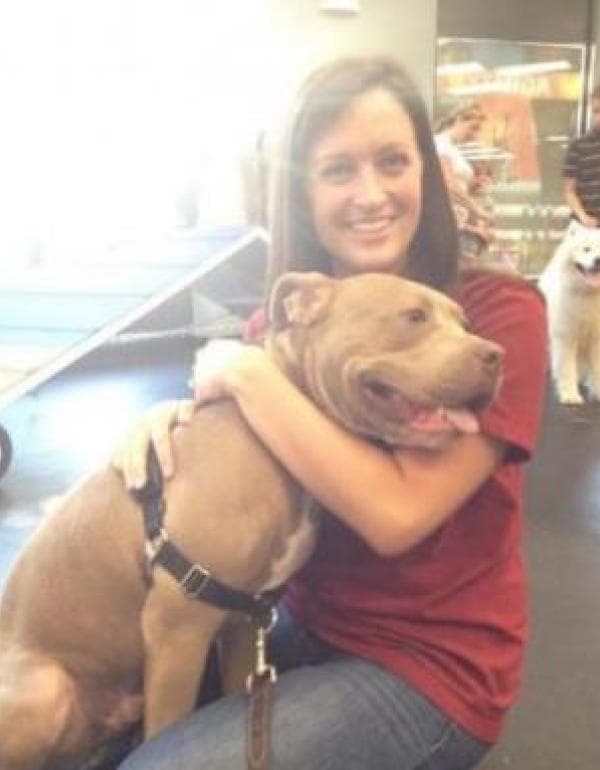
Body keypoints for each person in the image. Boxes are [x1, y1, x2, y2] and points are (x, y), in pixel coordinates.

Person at [113, 56, 547, 770]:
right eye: (338, 170)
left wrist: (245, 372)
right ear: (303, 191)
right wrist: (168, 422)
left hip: (429, 669)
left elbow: (396, 517)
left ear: (427, 171)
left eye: (393, 161)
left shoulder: (498, 312)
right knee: (97, 737)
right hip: (290, 624)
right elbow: (230, 450)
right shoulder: (287, 325)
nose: (370, 194)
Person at [434, 103, 495, 264]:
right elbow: (448, 184)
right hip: (448, 225)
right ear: (459, 119)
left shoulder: (453, 149)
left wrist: (472, 185)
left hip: (458, 222)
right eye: (472, 128)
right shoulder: (440, 144)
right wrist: (478, 210)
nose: (474, 135)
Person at [563, 83, 600, 227]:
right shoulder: (578, 147)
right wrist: (583, 217)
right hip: (587, 229)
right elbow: (569, 191)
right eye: (596, 111)